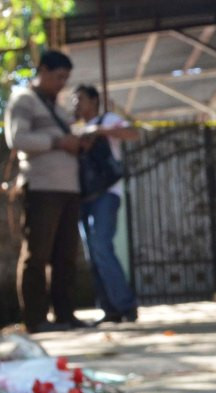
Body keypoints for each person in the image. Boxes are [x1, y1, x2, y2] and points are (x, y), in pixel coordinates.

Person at [3, 50, 86, 333]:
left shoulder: (59, 108)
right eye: (58, 77)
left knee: (66, 254)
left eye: (66, 78)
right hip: (41, 187)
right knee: (37, 254)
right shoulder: (24, 100)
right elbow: (17, 138)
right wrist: (57, 142)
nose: (62, 83)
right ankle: (36, 319)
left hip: (68, 188)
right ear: (43, 71)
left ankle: (66, 314)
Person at [72, 84, 140, 325]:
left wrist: (100, 130)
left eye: (79, 99)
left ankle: (126, 304)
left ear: (94, 101)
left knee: (102, 245)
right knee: (93, 253)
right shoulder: (75, 128)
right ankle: (109, 308)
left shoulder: (108, 119)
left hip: (108, 193)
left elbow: (133, 133)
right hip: (84, 196)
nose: (76, 104)